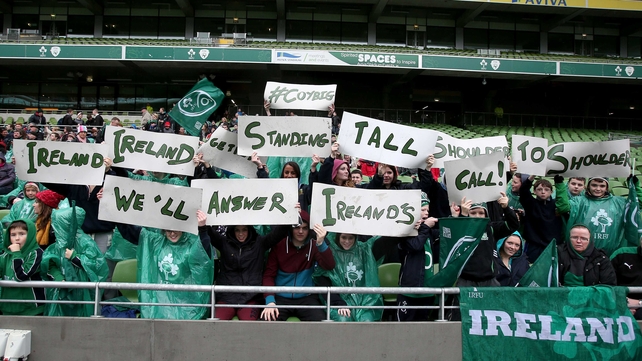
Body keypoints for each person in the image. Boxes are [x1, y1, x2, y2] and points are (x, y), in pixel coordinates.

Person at [109, 207, 214, 320]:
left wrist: (202, 229)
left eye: (176, 229)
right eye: (168, 230)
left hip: (186, 306)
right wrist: (112, 205)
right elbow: (130, 231)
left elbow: (203, 254)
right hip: (159, 305)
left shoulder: (191, 245)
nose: (172, 233)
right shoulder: (156, 242)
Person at [206, 219, 291, 320]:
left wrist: (290, 217)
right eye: (237, 230)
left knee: (249, 326)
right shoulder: (224, 243)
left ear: (249, 230)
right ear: (232, 230)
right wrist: (202, 224)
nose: (241, 234)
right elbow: (208, 233)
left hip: (251, 297)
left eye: (244, 230)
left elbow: (278, 234)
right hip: (226, 297)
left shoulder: (260, 243)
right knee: (217, 323)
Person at [261, 211, 335, 321]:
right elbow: (268, 275)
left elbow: (329, 265)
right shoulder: (279, 245)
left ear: (309, 230)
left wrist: (321, 242)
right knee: (267, 321)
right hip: (281, 298)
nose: (300, 231)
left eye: (305, 228)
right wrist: (270, 301)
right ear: (291, 228)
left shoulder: (314, 245)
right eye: (297, 227)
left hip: (307, 298)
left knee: (321, 324)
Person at [40, 206, 109, 316]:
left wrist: (75, 257)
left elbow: (98, 266)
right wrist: (58, 277)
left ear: (67, 224)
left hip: (82, 291)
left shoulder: (86, 243)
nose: (55, 227)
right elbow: (49, 264)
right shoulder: (58, 244)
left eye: (58, 224)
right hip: (60, 292)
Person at [556, 176, 641, 256]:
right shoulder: (578, 201)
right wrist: (560, 185)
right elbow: (563, 208)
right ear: (588, 186)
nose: (598, 189)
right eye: (594, 185)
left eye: (602, 186)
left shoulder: (619, 202)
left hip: (611, 255)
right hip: (582, 254)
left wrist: (635, 187)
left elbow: (636, 205)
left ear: (607, 187)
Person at [313, 232, 383, 322]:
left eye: (351, 238)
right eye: (344, 237)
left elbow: (384, 243)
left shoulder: (364, 250)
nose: (347, 241)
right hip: (338, 301)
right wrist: (338, 304)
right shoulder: (329, 253)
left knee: (367, 320)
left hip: (363, 301)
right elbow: (323, 280)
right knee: (343, 319)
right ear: (338, 237)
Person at [396, 193, 439, 321]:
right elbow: (415, 245)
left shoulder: (429, 232)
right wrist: (425, 227)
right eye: (423, 210)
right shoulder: (405, 231)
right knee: (403, 328)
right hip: (408, 291)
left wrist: (454, 216)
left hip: (427, 290)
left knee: (423, 328)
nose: (426, 213)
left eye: (428, 210)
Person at [0, 219, 45, 315]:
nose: (17, 238)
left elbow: (21, 276)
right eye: (13, 235)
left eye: (22, 234)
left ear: (30, 235)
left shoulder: (37, 253)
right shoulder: (5, 255)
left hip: (31, 310)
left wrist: (16, 253)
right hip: (7, 309)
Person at [519, 176, 562, 263]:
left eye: (546, 189)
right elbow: (523, 191)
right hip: (534, 246)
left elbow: (565, 203)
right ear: (534, 191)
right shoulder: (530, 204)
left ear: (551, 192)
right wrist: (530, 178)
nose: (543, 192)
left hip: (552, 245)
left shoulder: (556, 205)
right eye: (539, 189)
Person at [610, 244, 642, 319]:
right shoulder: (622, 254)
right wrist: (623, 302)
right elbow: (606, 284)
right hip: (619, 301)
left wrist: (639, 303)